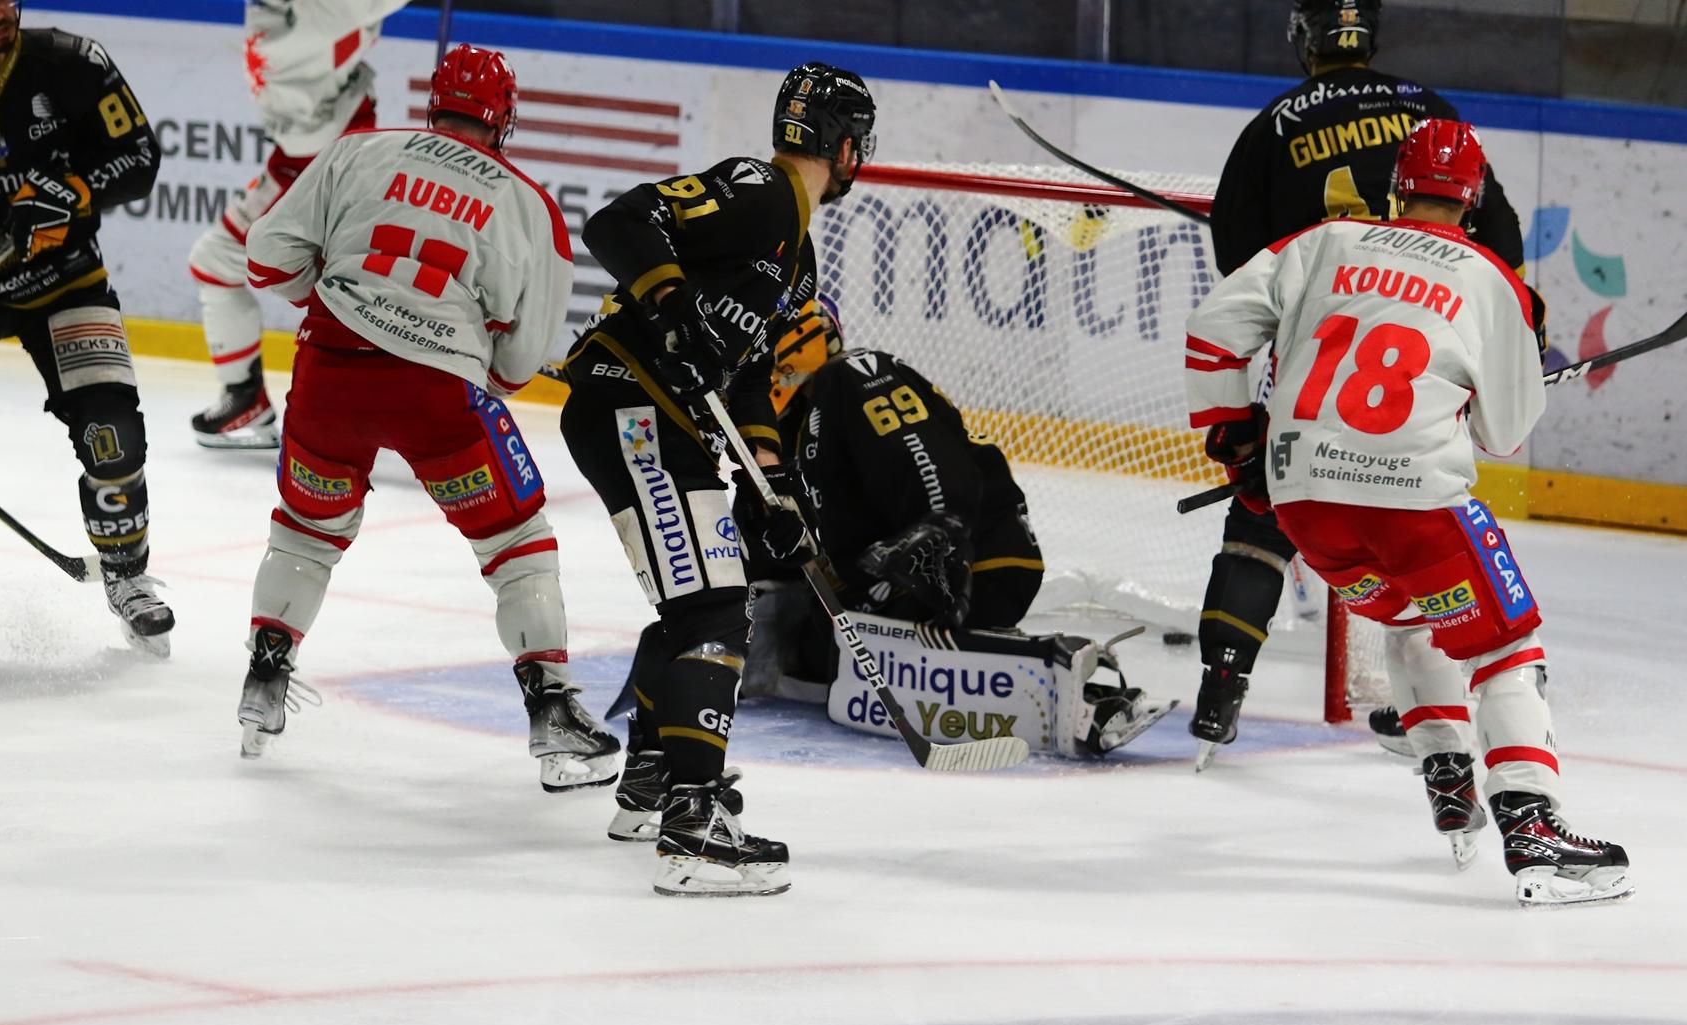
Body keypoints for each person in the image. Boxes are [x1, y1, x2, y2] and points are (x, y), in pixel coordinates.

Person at [1184, 118, 1631, 907]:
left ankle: (1447, 770)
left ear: (1396, 188)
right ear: (1474, 199)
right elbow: (1503, 433)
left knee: (1413, 617)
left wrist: (1234, 438)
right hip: (1414, 509)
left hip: (1307, 508)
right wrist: (1494, 380)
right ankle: (1531, 821)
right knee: (1506, 645)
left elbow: (1214, 331)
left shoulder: (1324, 242)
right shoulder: (1491, 279)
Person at [238, 44, 619, 792]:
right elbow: (520, 362)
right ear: (504, 119)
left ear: (434, 103)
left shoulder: (358, 151)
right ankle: (551, 709)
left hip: (329, 376)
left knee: (307, 531)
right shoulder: (530, 205)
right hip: (438, 395)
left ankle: (264, 682)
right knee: (517, 541)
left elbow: (266, 256)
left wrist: (340, 302)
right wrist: (465, 358)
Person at [1192, 0, 1535, 775]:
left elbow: (1238, 266)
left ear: (1303, 36)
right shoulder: (1428, 111)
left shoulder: (1276, 122)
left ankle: (1221, 686)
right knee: (1421, 546)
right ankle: (1429, 706)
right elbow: (1500, 237)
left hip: (1318, 356)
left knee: (1262, 518)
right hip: (1420, 367)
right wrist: (1507, 332)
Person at [559, 62, 875, 897]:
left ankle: (653, 783)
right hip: (634, 405)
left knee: (701, 603)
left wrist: (774, 482)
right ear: (846, 146)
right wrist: (673, 310)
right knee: (712, 610)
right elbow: (621, 221)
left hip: (665, 421)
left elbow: (749, 378)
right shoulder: (760, 192)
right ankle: (693, 828)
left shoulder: (797, 258)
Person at [748, 299, 1175, 759]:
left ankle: (1063, 683)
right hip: (894, 577)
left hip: (980, 551)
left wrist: (940, 527)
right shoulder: (786, 434)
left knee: (879, 606)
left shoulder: (856, 374)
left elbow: (921, 454)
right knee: (814, 650)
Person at [0, 0, 173, 652]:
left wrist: (77, 188)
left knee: (112, 436)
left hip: (67, 281)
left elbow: (139, 156)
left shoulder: (74, 62)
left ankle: (127, 575)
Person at [187, 0, 412, 449]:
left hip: (324, 164)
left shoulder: (322, 13)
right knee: (341, 286)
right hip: (306, 157)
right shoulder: (293, 14)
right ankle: (257, 397)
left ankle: (393, 401)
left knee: (338, 288)